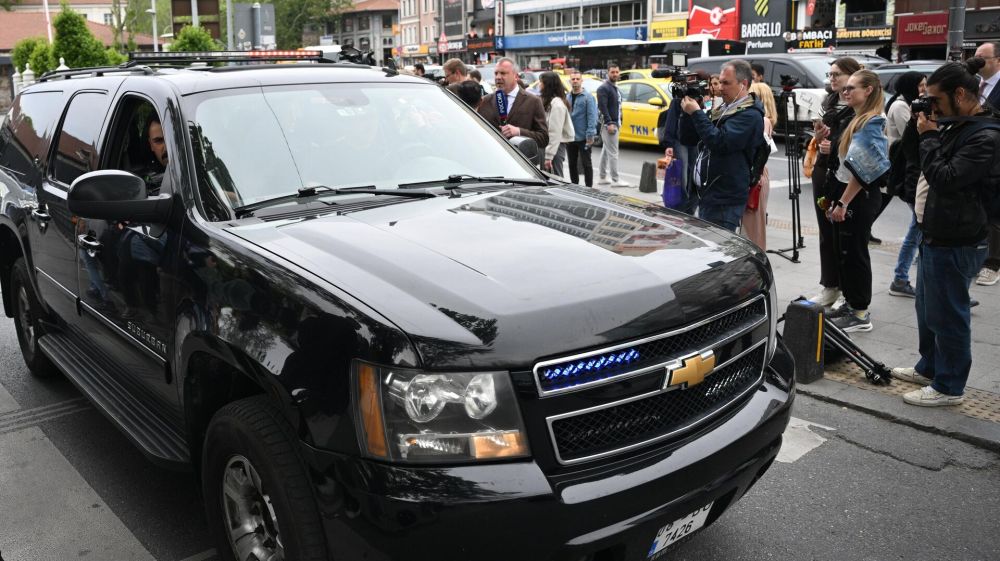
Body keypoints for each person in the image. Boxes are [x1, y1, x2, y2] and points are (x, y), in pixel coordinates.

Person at [893, 59, 1000, 406]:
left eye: (936, 100)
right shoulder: (955, 124)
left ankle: (949, 387)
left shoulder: (985, 136)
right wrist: (919, 128)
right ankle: (929, 368)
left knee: (949, 315)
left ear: (961, 94)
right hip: (935, 231)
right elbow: (915, 157)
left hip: (958, 239)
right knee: (928, 310)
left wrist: (929, 137)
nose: (933, 108)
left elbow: (945, 178)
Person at [824, 70, 889, 333]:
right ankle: (851, 304)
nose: (845, 91)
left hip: (859, 196)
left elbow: (865, 169)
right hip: (848, 193)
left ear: (868, 90)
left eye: (851, 87)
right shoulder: (856, 118)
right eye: (845, 88)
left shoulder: (872, 122)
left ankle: (860, 312)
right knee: (844, 252)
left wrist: (843, 202)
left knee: (854, 254)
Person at [678, 60, 765, 231]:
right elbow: (688, 139)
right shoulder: (724, 108)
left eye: (726, 83)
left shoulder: (750, 114)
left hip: (724, 199)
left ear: (743, 83)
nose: (721, 88)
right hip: (708, 194)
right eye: (720, 82)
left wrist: (696, 113)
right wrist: (686, 111)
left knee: (716, 245)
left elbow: (720, 142)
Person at [808, 56, 862, 309]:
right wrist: (819, 139)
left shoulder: (860, 106)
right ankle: (830, 285)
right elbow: (821, 141)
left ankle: (849, 292)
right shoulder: (828, 102)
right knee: (826, 232)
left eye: (837, 74)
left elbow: (864, 145)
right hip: (824, 170)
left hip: (848, 174)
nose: (832, 79)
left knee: (847, 237)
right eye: (830, 74)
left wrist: (836, 148)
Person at [885, 71, 927, 298]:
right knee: (917, 230)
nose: (924, 90)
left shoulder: (908, 104)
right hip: (907, 172)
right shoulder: (902, 107)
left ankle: (904, 277)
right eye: (920, 85)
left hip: (909, 172)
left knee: (918, 229)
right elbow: (913, 139)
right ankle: (900, 278)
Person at [476, 57, 548, 151]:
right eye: (496, 73)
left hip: (519, 158)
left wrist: (519, 132)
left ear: (516, 76)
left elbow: (544, 138)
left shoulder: (533, 101)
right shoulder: (485, 101)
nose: (498, 77)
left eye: (503, 73)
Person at [974, 41, 1000, 286]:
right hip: (975, 155)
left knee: (995, 214)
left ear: (997, 60)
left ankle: (993, 264)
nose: (977, 61)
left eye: (983, 57)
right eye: (975, 56)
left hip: (997, 158)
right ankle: (978, 257)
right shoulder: (972, 85)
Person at [741, 82, 776, 249]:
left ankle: (755, 259)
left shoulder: (761, 120)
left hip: (755, 175)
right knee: (756, 224)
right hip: (761, 174)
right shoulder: (766, 120)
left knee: (752, 228)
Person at [596, 65, 628, 187]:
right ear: (608, 73)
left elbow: (617, 106)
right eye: (612, 72)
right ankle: (616, 179)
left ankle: (602, 177)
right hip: (609, 125)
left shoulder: (614, 87)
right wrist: (609, 123)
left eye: (617, 72)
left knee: (606, 151)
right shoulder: (604, 88)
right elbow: (602, 107)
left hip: (615, 123)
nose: (615, 74)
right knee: (613, 153)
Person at [538, 71, 575, 176]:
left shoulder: (557, 104)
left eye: (541, 82)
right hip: (551, 145)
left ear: (548, 85)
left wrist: (549, 156)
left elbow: (555, 132)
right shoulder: (549, 101)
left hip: (555, 147)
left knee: (556, 178)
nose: (539, 85)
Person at [566, 70, 598, 186]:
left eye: (577, 79)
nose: (575, 81)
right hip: (570, 137)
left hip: (584, 137)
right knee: (572, 164)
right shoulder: (567, 97)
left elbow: (592, 117)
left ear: (581, 81)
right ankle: (574, 186)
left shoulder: (588, 97)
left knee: (586, 164)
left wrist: (590, 135)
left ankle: (589, 188)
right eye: (573, 79)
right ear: (570, 81)